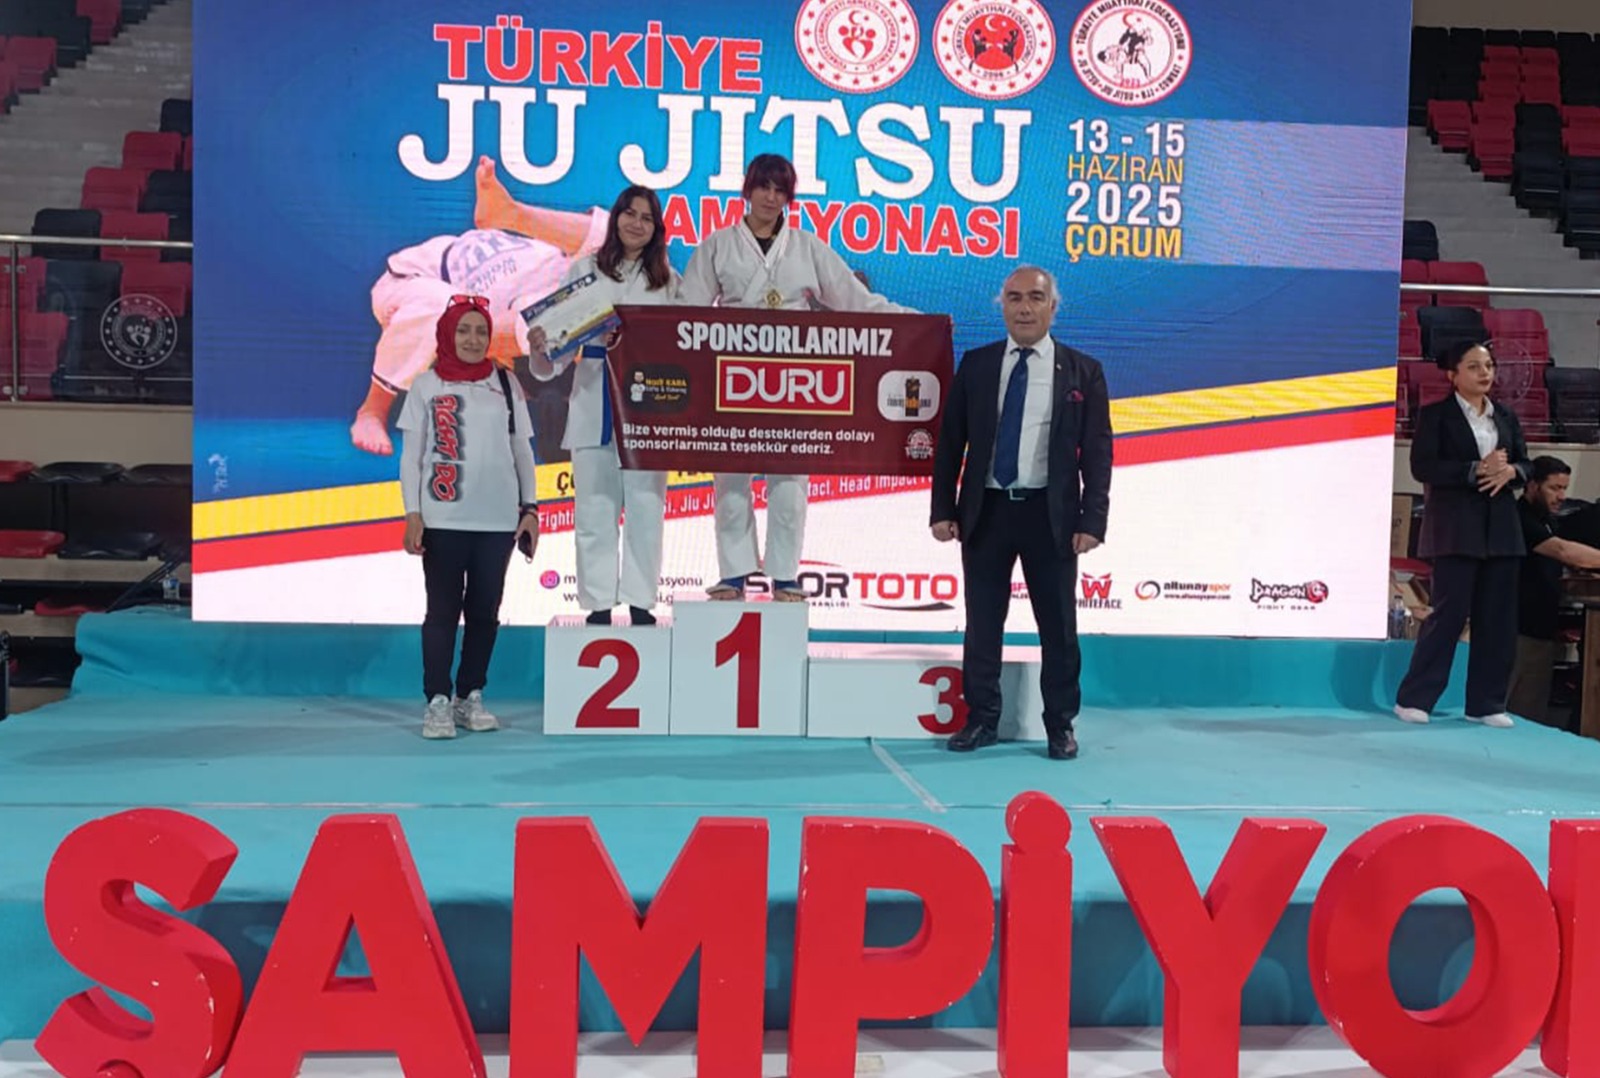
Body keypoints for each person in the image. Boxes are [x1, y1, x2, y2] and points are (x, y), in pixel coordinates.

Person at [678, 153, 912, 601]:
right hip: (733, 378)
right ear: (747, 190)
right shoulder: (717, 245)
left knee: (789, 482)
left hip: (793, 382)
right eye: (764, 187)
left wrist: (918, 322)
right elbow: (684, 311)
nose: (771, 197)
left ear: (789, 197)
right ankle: (734, 574)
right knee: (730, 477)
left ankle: (784, 574)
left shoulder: (807, 247)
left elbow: (855, 300)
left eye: (780, 190)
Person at [929, 266, 1113, 761]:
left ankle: (1060, 725)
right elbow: (951, 443)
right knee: (982, 623)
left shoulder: (1083, 371)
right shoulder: (978, 364)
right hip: (986, 512)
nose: (1024, 308)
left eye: (1035, 298)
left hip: (1051, 516)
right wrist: (943, 508)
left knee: (1059, 627)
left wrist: (1092, 521)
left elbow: (1098, 453)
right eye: (1014, 298)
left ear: (1053, 307)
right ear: (1002, 305)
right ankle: (982, 719)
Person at [351, 156, 609, 456]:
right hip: (488, 273)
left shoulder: (542, 323)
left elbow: (484, 341)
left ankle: (371, 412)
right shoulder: (598, 297)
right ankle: (509, 212)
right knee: (625, 252)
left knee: (447, 312)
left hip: (417, 281)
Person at [527, 185, 678, 626]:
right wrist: (540, 347)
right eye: (630, 214)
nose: (637, 224)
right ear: (615, 219)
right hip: (594, 399)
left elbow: (686, 345)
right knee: (594, 508)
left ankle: (640, 600)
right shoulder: (584, 271)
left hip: (649, 407)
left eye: (647, 218)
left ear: (657, 228)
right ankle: (597, 603)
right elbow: (552, 361)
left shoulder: (669, 281)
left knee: (646, 508)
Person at [398, 295, 541, 739]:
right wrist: (413, 513)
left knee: (485, 614)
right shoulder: (426, 385)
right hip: (442, 520)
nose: (473, 339)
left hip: (497, 522)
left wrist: (531, 509)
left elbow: (522, 450)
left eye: (481, 331)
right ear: (447, 333)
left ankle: (469, 695)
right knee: (441, 613)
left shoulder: (506, 383)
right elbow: (411, 458)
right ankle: (437, 701)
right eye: (464, 330)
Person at [1394, 341, 1530, 728]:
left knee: (1497, 620)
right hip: (1456, 529)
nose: (1484, 373)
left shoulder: (1505, 416)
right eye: (1473, 366)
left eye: (1488, 366)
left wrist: (1513, 472)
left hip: (1501, 530)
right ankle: (1415, 698)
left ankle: (1486, 703)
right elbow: (1423, 467)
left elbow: (1527, 463)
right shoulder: (1436, 415)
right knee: (1448, 615)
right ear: (1453, 375)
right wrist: (1475, 469)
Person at [1508, 455, 1600, 725]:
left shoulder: (1549, 520)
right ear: (1532, 485)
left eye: (1564, 488)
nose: (1562, 496)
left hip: (1542, 630)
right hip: (1517, 630)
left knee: (1531, 716)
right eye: (1555, 488)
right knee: (1508, 711)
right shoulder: (1519, 517)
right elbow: (1562, 550)